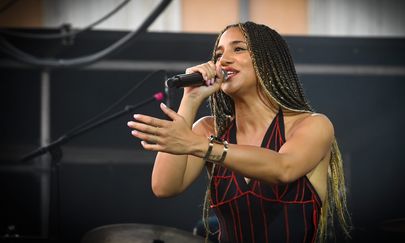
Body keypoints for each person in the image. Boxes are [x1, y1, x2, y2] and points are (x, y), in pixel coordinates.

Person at [128, 21, 350, 243]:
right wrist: (191, 98)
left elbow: (284, 168)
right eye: (218, 54)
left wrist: (199, 146)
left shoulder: (312, 125)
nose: (223, 60)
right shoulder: (209, 129)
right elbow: (164, 187)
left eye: (238, 48)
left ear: (268, 61)